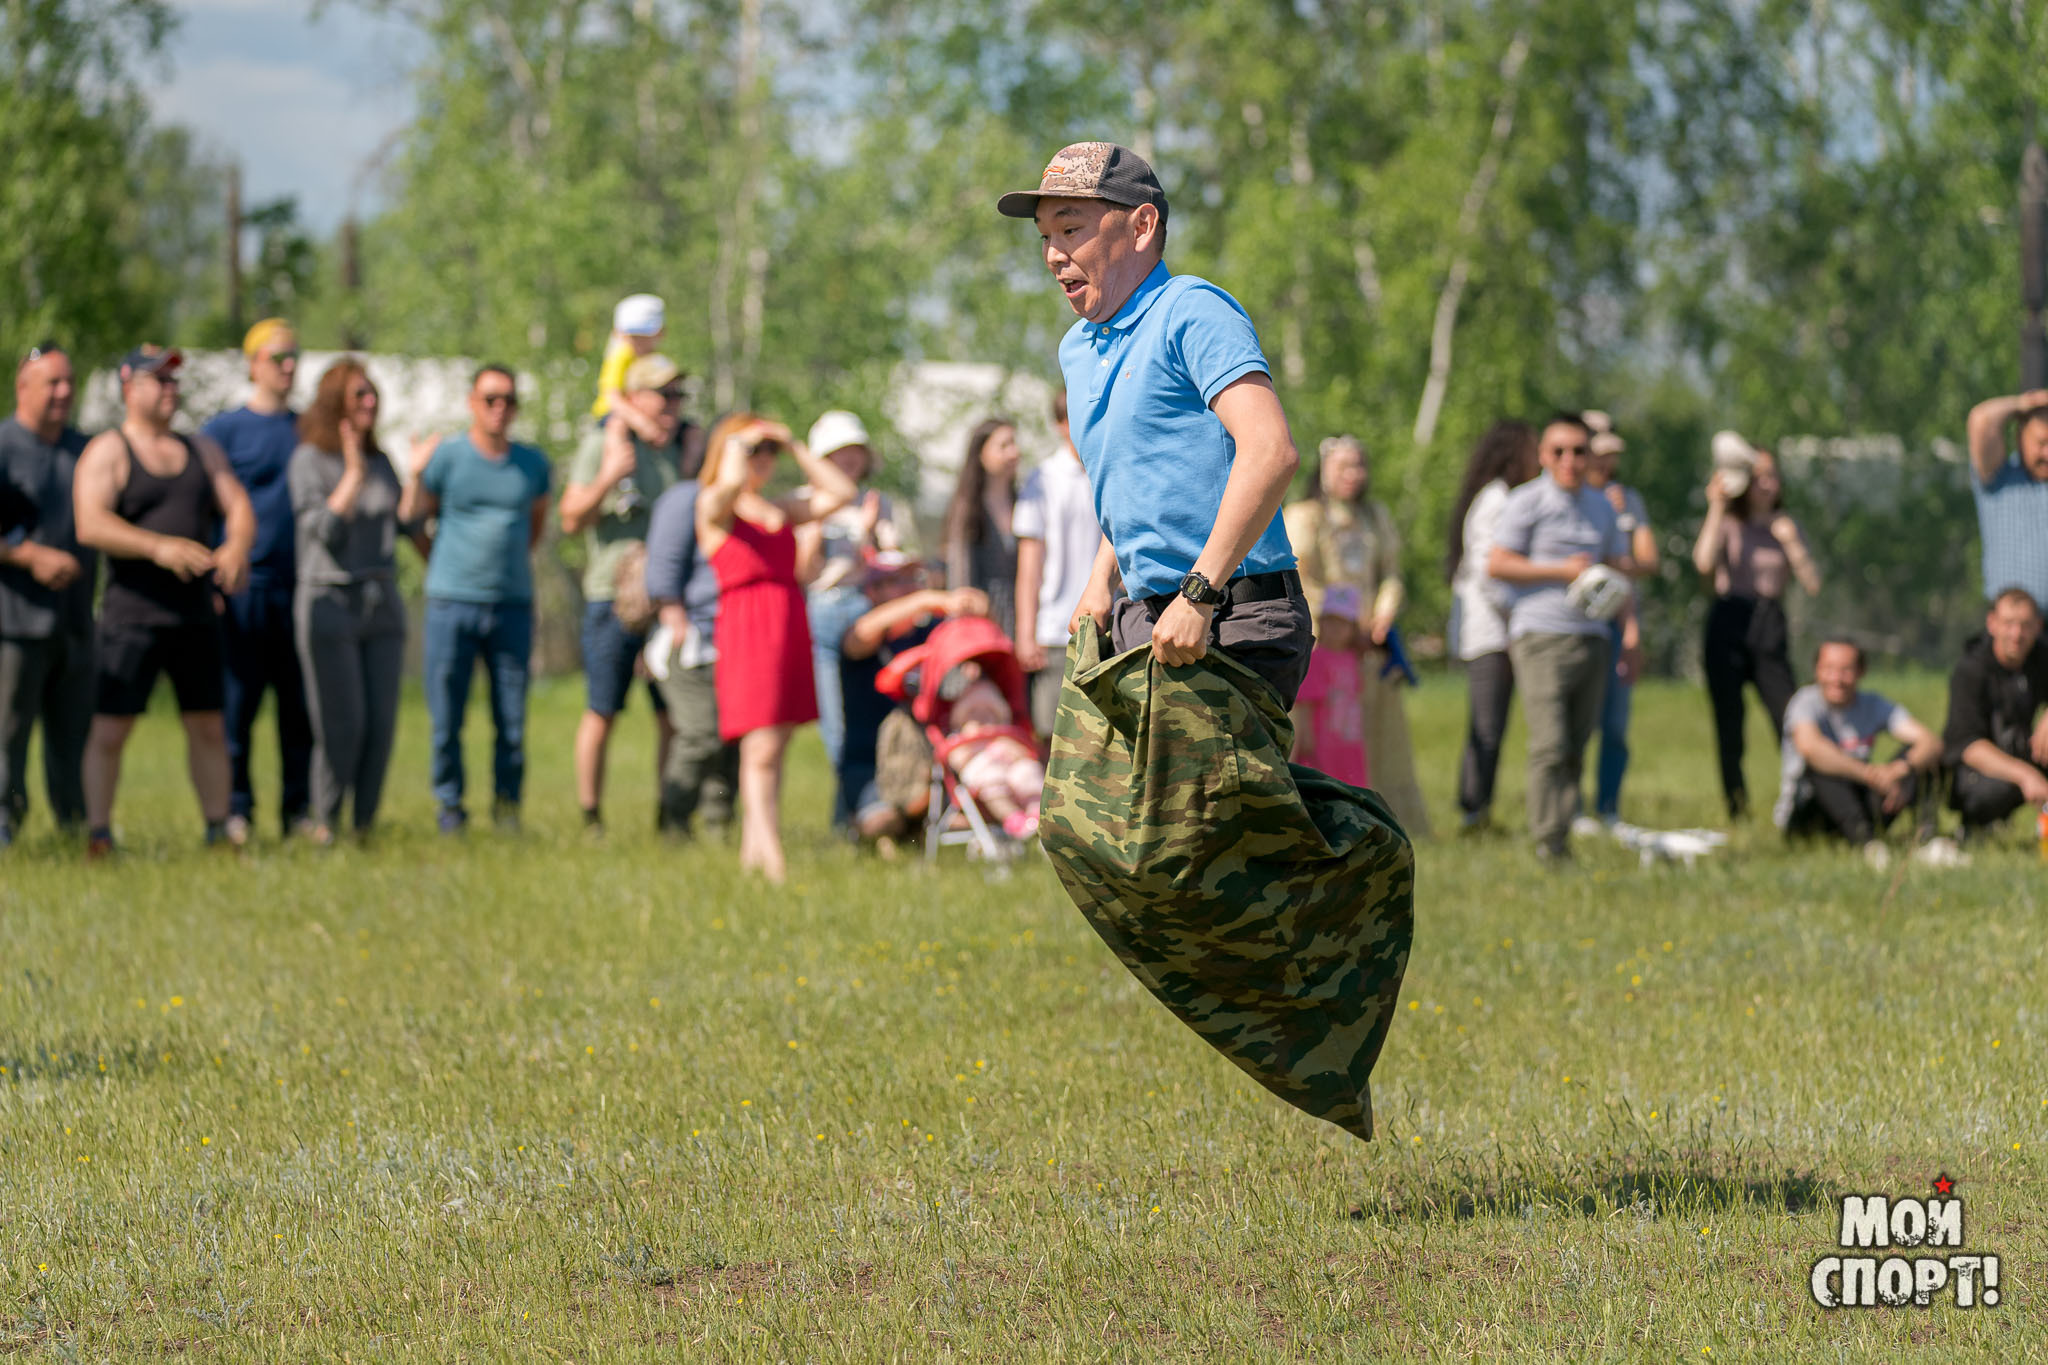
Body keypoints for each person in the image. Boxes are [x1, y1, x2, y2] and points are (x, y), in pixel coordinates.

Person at [1000, 140, 1412, 1145]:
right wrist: (1100, 583)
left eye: (1072, 229)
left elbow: (1270, 452)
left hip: (1235, 611)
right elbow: (1132, 484)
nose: (1054, 254)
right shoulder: (1078, 350)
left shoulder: (1193, 311)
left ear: (1140, 226)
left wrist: (1199, 587)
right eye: (1045, 236)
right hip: (1145, 617)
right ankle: (1298, 951)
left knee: (1178, 852)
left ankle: (1361, 854)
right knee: (1077, 831)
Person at [73, 347, 257, 856]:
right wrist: (157, 547)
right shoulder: (110, 450)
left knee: (208, 725)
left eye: (175, 380)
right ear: (129, 387)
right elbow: (90, 523)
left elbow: (239, 505)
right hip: (131, 616)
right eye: (160, 380)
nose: (171, 389)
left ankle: (218, 830)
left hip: (195, 614)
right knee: (111, 730)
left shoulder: (201, 450)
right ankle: (99, 835)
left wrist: (237, 547)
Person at [695, 412, 856, 881]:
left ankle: (755, 853)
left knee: (776, 743)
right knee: (761, 746)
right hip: (747, 629)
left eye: (768, 452)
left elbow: (842, 492)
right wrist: (738, 446)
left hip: (786, 625)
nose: (763, 458)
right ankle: (772, 858)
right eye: (755, 450)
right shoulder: (714, 503)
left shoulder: (779, 508)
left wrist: (792, 445)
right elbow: (727, 486)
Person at [399, 365, 553, 834]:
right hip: (452, 604)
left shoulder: (532, 464)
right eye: (490, 399)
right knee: (447, 718)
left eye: (508, 399)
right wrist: (414, 475)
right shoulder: (447, 458)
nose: (499, 408)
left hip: (511, 605)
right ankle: (451, 809)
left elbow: (535, 527)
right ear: (472, 402)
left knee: (511, 720)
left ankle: (508, 812)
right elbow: (412, 520)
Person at [1487, 412, 1638, 861]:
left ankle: (1564, 834)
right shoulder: (1526, 501)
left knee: (1575, 744)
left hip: (1593, 635)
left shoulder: (1602, 506)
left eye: (1578, 450)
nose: (1569, 459)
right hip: (1540, 635)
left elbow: (1620, 569)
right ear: (1543, 456)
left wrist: (1630, 632)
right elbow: (1497, 563)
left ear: (1590, 455)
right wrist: (1561, 570)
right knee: (1549, 743)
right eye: (1559, 451)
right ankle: (1547, 841)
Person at [1283, 433, 1431, 836]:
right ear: (1324, 470)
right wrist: (1343, 625)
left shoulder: (1375, 517)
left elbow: (1391, 574)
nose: (1353, 474)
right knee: (1318, 736)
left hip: (1368, 647)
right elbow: (1299, 575)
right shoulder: (1304, 516)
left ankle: (1378, 819)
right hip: (1322, 646)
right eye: (1343, 466)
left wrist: (1381, 617)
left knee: (1373, 735)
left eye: (1359, 465)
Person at [201, 318, 314, 844]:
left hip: (301, 588)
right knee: (238, 706)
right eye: (278, 358)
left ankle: (298, 811)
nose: (288, 367)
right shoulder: (223, 432)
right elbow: (203, 510)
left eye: (294, 357)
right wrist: (211, 581)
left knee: (298, 707)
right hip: (244, 590)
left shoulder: (309, 427)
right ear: (253, 365)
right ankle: (236, 810)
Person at [561, 354, 684, 833]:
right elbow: (571, 518)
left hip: (664, 602)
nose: (673, 405)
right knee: (603, 710)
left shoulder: (674, 449)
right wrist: (609, 476)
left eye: (678, 395)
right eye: (663, 395)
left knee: (672, 715)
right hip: (611, 599)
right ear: (635, 398)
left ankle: (670, 815)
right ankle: (590, 816)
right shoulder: (604, 444)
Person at [286, 359, 406, 845]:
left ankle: (364, 827)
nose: (371, 402)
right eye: (360, 394)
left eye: (373, 393)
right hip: (329, 600)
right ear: (335, 402)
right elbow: (324, 530)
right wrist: (352, 474)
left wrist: (418, 475)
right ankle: (326, 824)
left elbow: (403, 524)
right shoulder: (309, 460)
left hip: (382, 602)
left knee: (380, 725)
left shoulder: (383, 460)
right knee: (343, 723)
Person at [813, 553, 986, 838]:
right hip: (870, 765)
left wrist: (977, 606)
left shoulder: (932, 632)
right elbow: (860, 636)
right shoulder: (861, 633)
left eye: (913, 579)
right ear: (872, 591)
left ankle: (922, 818)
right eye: (897, 580)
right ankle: (895, 820)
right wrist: (925, 600)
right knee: (879, 822)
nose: (909, 587)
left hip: (928, 760)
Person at [1692, 442, 1821, 819]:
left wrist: (1791, 543)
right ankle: (1737, 806)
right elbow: (1703, 564)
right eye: (1759, 476)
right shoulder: (1729, 522)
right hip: (1729, 619)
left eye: (1773, 476)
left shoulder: (1786, 525)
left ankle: (1804, 799)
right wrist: (1716, 507)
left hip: (1769, 623)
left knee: (1789, 716)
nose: (1767, 484)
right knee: (1729, 722)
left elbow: (1812, 583)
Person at [0, 343, 95, 848]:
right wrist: (26, 555)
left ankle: (75, 828)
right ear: (23, 387)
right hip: (14, 622)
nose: (63, 392)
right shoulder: (4, 446)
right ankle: (4, 826)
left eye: (69, 382)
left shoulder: (87, 449)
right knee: (8, 732)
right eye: (52, 383)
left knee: (74, 734)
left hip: (76, 621)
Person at [794, 409, 903, 769]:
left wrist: (875, 539)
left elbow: (888, 560)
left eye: (856, 449)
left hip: (864, 607)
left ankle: (873, 782)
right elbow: (804, 572)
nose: (850, 457)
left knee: (870, 706)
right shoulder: (804, 501)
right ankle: (846, 786)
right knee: (832, 717)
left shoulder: (875, 501)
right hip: (821, 607)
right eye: (841, 450)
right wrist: (817, 532)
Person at [642, 434, 737, 839]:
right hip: (691, 638)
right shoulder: (685, 498)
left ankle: (719, 825)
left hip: (734, 639)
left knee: (730, 738)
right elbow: (663, 562)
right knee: (701, 733)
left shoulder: (750, 505)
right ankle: (673, 823)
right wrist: (672, 614)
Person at [1446, 419, 1539, 833]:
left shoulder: (1498, 497)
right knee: (1487, 724)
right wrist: (1522, 617)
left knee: (1489, 722)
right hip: (1491, 630)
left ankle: (1476, 808)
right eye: (1533, 449)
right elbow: (1490, 571)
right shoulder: (1497, 500)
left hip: (1495, 627)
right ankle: (1474, 810)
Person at [1776, 639, 1942, 867]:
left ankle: (1928, 840)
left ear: (1861, 671)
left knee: (1919, 757)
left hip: (1861, 800)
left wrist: (1898, 771)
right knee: (1822, 764)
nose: (1836, 679)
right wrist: (1869, 774)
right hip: (1811, 813)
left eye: (1846, 670)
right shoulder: (1804, 702)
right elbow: (1810, 748)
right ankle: (1868, 845)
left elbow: (1931, 742)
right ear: (1816, 670)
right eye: (1829, 669)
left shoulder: (1872, 703)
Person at [1579, 415, 1658, 828]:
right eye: (1599, 454)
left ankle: (1608, 807)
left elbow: (1647, 560)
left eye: (1612, 455)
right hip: (1577, 619)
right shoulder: (1571, 500)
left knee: (1614, 722)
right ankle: (1571, 809)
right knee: (1577, 720)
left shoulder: (1628, 500)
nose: (1606, 463)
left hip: (1619, 616)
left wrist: (1612, 548)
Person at [1013, 389, 1100, 741]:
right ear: (1060, 425)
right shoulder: (1043, 479)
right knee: (1051, 736)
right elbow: (1029, 567)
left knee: (1096, 739)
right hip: (1053, 630)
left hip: (1102, 626)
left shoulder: (1105, 471)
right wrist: (1026, 633)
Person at [1943, 587, 2048, 839]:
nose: (2017, 634)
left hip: (2022, 750)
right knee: (1997, 789)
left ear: (2038, 627)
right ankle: (1973, 829)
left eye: (2025, 625)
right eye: (2009, 623)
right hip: (1973, 774)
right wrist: (2026, 775)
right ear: (1992, 623)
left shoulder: (2041, 656)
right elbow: (1967, 746)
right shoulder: (1970, 670)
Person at [1964, 388, 2048, 614]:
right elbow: (1981, 421)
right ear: (2020, 438)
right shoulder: (2000, 479)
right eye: (2041, 443)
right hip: (2008, 626)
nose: (2047, 454)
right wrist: (2026, 403)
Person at [943, 419, 1021, 637]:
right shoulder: (967, 507)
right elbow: (961, 575)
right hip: (983, 617)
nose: (1014, 453)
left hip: (1022, 614)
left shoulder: (1023, 502)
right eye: (1004, 446)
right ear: (981, 454)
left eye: (1014, 443)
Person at [944, 673, 1044, 838]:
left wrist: (1012, 750)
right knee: (992, 781)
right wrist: (969, 743)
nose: (982, 718)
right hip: (985, 777)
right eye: (974, 713)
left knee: (1028, 770)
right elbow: (954, 759)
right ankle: (1013, 818)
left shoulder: (1005, 734)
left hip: (1011, 771)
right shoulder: (960, 738)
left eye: (988, 712)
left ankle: (1037, 813)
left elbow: (1026, 753)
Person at [591, 294, 670, 442]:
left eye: (644, 335)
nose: (639, 341)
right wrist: (642, 423)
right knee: (618, 426)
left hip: (640, 413)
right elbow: (613, 399)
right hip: (611, 414)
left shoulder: (655, 359)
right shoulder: (620, 356)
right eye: (634, 336)